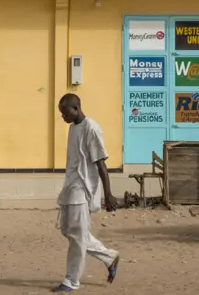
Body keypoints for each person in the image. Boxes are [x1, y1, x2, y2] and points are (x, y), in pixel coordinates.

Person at [52, 93, 120, 292]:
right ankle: (109, 256)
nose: (63, 117)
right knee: (69, 230)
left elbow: (101, 164)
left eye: (65, 113)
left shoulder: (91, 128)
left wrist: (108, 193)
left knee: (77, 236)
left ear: (76, 109)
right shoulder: (73, 128)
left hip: (82, 188)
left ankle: (71, 280)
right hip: (70, 185)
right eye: (61, 113)